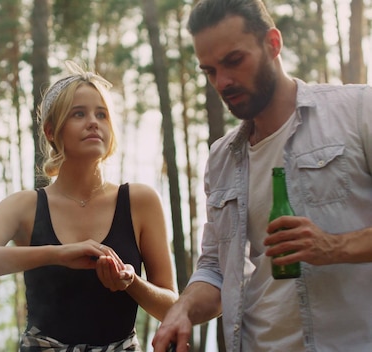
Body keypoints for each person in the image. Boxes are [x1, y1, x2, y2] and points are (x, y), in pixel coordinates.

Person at [151, 0, 372, 351]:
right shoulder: (221, 158)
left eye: (234, 61)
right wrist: (183, 309)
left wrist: (334, 246)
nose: (222, 82)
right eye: (209, 71)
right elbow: (214, 269)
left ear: (272, 43)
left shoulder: (358, 112)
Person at [0, 61, 178, 351]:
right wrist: (58, 254)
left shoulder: (140, 201)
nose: (93, 122)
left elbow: (171, 307)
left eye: (102, 114)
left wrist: (131, 282)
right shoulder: (26, 206)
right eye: (78, 114)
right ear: (50, 131)